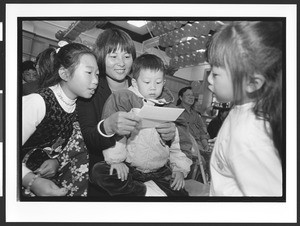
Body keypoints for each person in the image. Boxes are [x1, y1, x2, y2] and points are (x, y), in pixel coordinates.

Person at [77, 28, 178, 197]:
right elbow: (87, 137)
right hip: (109, 175)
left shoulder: (148, 89)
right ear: (102, 56)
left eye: (126, 56)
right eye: (113, 56)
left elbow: (160, 136)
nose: (121, 63)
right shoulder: (91, 90)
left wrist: (170, 134)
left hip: (152, 171)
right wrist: (108, 127)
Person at [92, 53, 192, 196]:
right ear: (134, 82)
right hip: (130, 167)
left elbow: (181, 143)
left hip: (159, 170)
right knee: (99, 172)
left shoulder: (170, 108)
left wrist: (179, 169)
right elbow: (116, 134)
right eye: (146, 82)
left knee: (181, 195)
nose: (152, 87)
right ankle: (144, 191)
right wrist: (116, 160)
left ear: (164, 82)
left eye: (158, 83)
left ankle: (143, 190)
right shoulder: (123, 99)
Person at [207, 21, 282, 196]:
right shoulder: (243, 107)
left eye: (216, 73)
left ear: (252, 83)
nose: (209, 79)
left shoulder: (248, 137)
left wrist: (236, 145)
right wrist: (224, 143)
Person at [22, 42, 99, 196]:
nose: (96, 80)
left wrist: (56, 161)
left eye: (97, 74)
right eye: (88, 73)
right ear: (64, 73)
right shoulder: (38, 102)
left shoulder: (80, 107)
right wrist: (31, 181)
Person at [176, 86, 211, 181]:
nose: (191, 97)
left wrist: (206, 145)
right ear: (180, 97)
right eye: (188, 95)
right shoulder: (176, 112)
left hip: (199, 145)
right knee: (202, 161)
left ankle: (206, 183)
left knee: (212, 156)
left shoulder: (196, 115)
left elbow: (202, 132)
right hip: (186, 145)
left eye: (192, 95)